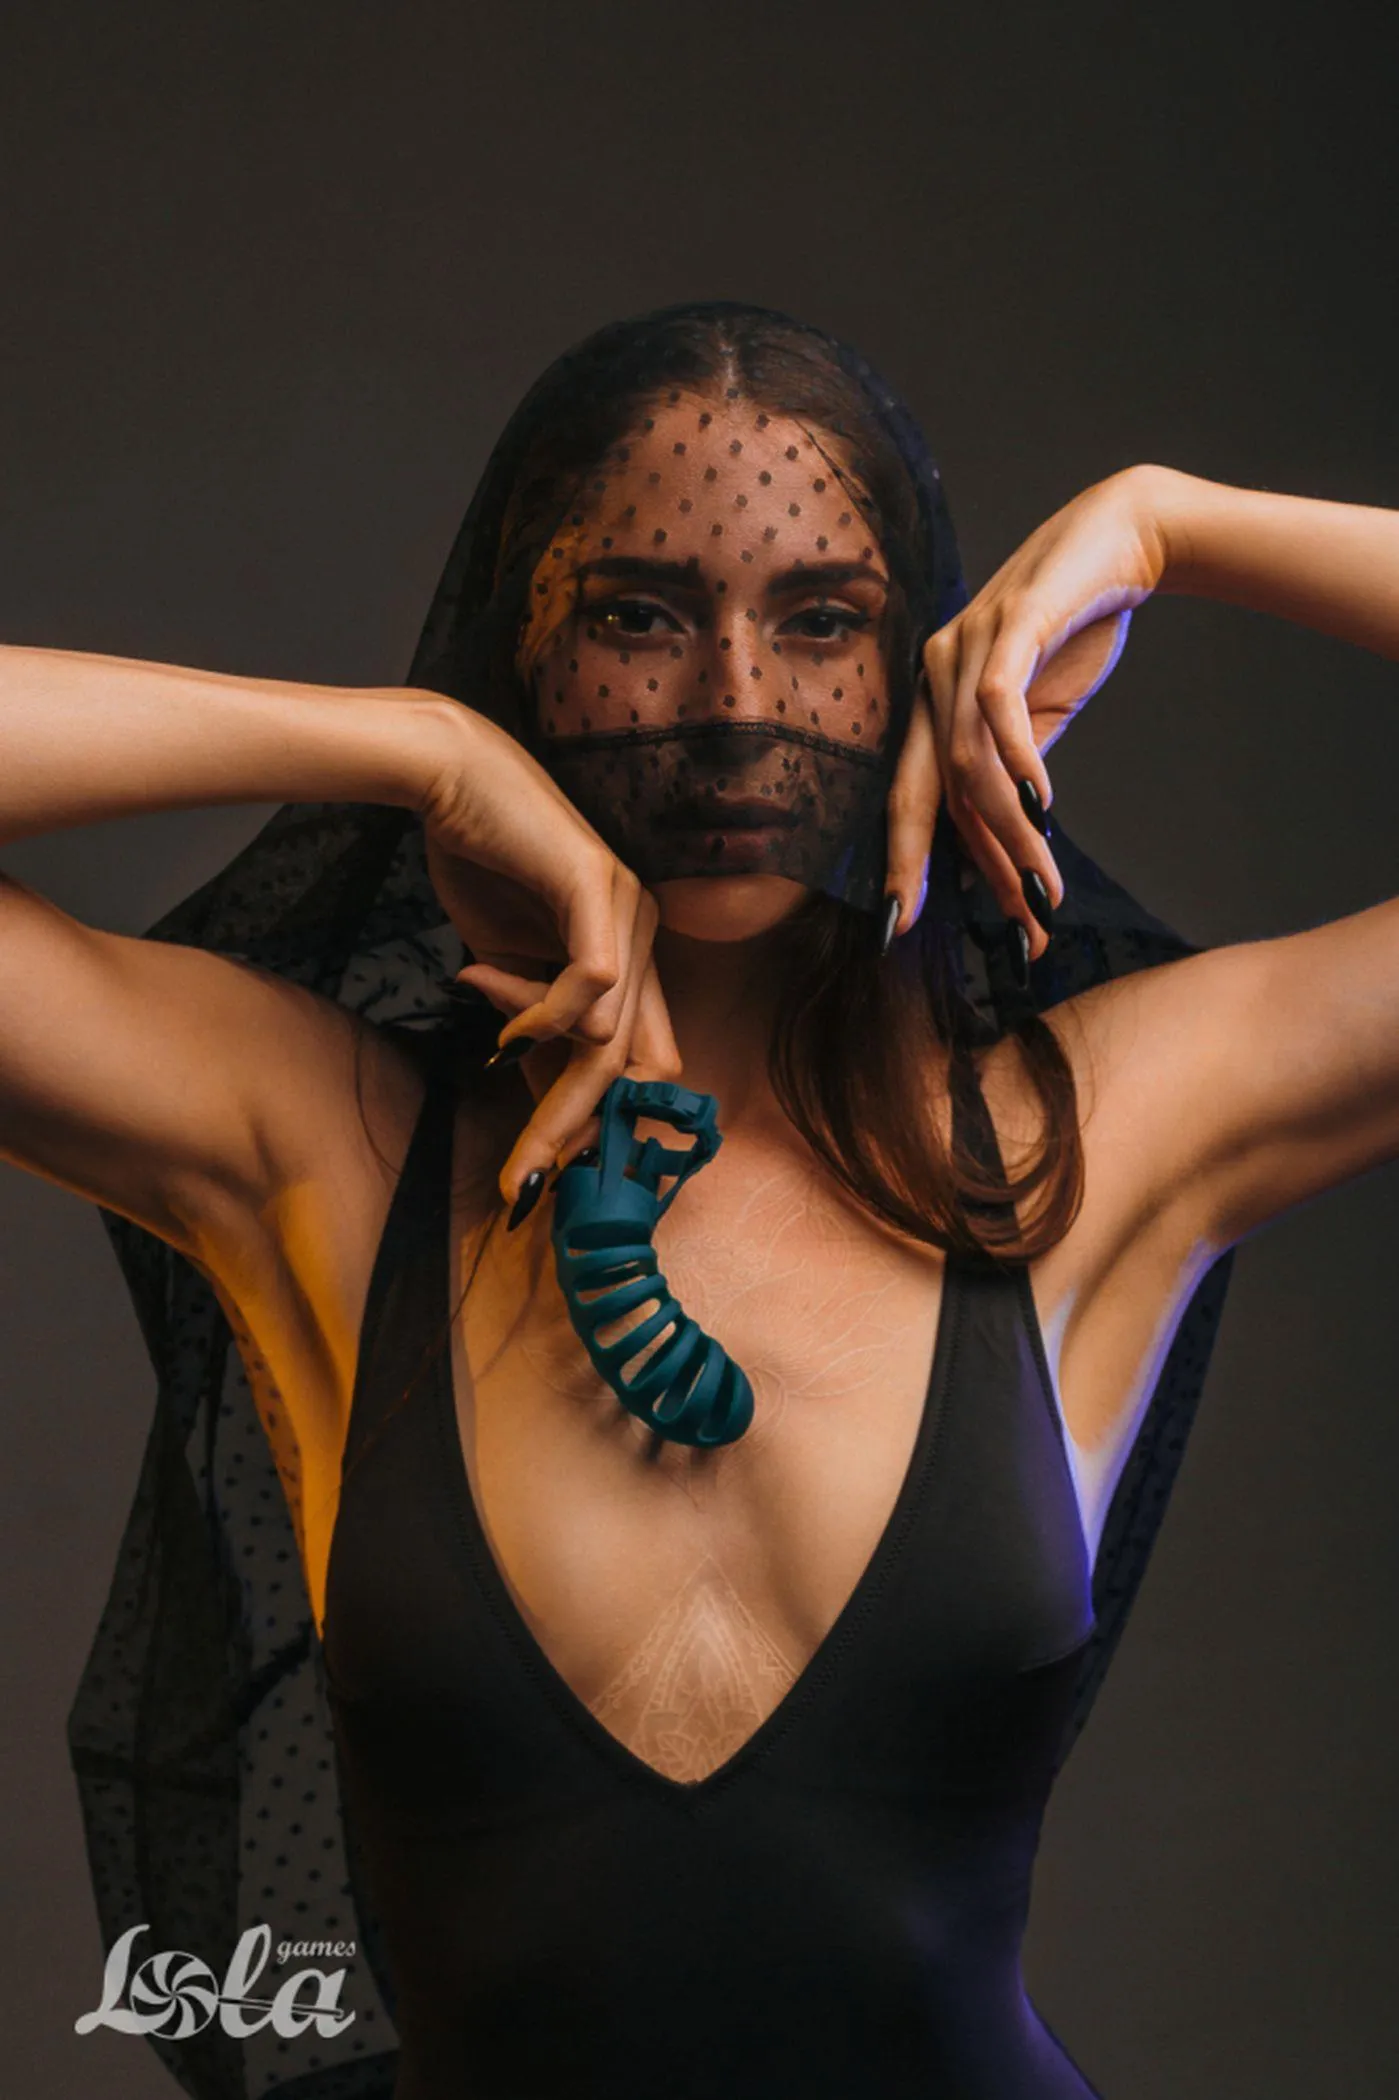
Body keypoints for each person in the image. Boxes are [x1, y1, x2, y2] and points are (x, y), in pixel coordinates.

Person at [4, 302, 1394, 2097]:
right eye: (639, 616)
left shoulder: (1095, 1137)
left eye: (819, 621)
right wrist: (412, 751)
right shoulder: (319, 1144)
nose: (734, 704)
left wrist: (1168, 527)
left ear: (915, 662)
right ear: (525, 655)